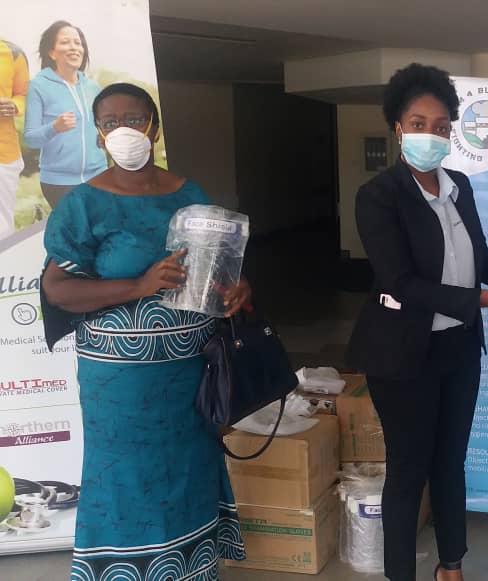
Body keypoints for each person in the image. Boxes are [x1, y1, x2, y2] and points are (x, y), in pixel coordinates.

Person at [41, 83, 250, 580]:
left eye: (133, 119)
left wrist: (238, 286)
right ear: (98, 134)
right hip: (120, 387)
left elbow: (214, 270)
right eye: (110, 122)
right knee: (126, 480)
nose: (123, 130)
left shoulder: (190, 194)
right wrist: (139, 285)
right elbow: (57, 290)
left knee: (189, 470)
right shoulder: (83, 204)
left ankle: (192, 568)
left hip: (189, 375)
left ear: (154, 128)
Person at [347, 63, 488, 581]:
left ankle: (450, 566)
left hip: (458, 348)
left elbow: (477, 257)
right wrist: (487, 301)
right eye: (418, 123)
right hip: (402, 354)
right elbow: (400, 283)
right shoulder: (379, 196)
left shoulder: (460, 187)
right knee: (409, 470)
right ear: (398, 128)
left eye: (439, 126)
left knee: (450, 462)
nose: (429, 135)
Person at [24, 21, 107, 209]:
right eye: (65, 42)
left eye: (78, 43)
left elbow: (102, 127)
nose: (74, 47)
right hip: (59, 182)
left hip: (99, 175)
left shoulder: (93, 87)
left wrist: (105, 136)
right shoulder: (39, 86)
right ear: (52, 53)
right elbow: (30, 138)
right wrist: (54, 127)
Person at [0, 38, 28, 239]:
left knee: (2, 228)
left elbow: (23, 94)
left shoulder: (13, 52)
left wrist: (15, 105)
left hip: (3, 155)